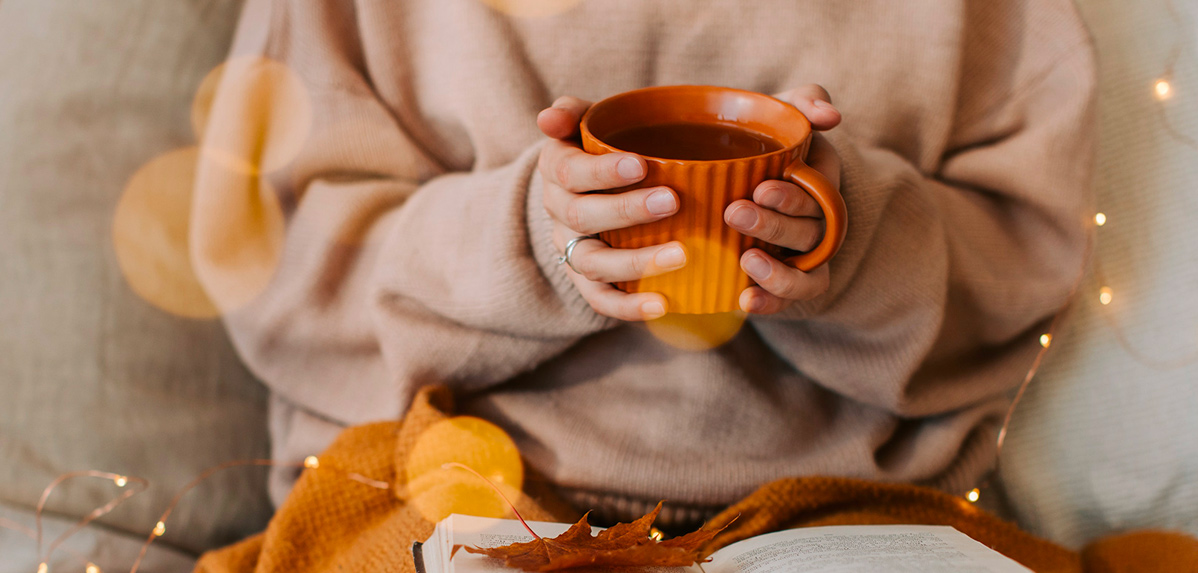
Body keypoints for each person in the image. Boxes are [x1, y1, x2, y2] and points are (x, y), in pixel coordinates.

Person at [195, 0, 1096, 532]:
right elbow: (276, 261)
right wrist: (534, 237)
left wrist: (850, 238)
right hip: (442, 513)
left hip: (844, 524)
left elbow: (1023, 256)